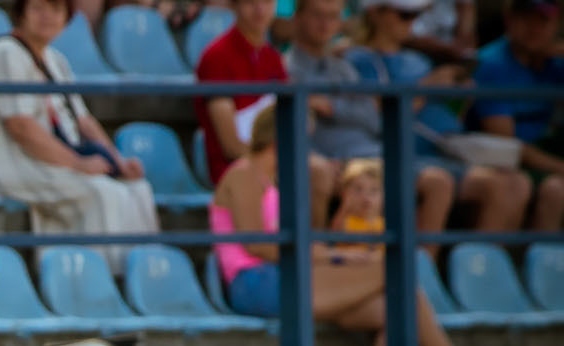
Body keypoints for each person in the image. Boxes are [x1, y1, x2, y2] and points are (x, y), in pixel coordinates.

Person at [212, 103, 512, 346]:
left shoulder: (271, 181)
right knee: (391, 268)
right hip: (256, 283)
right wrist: (336, 254)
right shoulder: (244, 172)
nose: (308, 148)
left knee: (395, 312)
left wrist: (333, 255)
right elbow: (260, 247)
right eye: (304, 139)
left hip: (284, 275)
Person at [320, 0, 540, 237]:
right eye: (404, 15)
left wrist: (459, 95)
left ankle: (480, 268)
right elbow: (373, 118)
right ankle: (422, 268)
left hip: (446, 151)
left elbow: (449, 116)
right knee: (439, 183)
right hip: (404, 155)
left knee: (516, 184)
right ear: (375, 15)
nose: (411, 23)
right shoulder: (356, 60)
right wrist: (427, 88)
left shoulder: (420, 61)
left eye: (416, 16)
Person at [0, 0, 157, 251]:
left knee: (137, 189)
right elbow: (21, 127)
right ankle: (100, 277)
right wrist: (78, 164)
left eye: (56, 10)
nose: (47, 16)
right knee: (102, 193)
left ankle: (138, 278)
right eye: (38, 8)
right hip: (8, 162)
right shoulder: (4, 54)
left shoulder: (56, 60)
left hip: (50, 159)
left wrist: (117, 161)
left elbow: (84, 122)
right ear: (20, 15)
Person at [195, 0, 337, 208]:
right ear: (235, 6)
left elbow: (292, 123)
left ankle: (313, 241)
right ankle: (305, 241)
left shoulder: (272, 57)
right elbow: (231, 146)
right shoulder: (216, 56)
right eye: (250, 3)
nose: (260, 10)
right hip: (237, 168)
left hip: (274, 161)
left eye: (266, 2)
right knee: (317, 172)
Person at [471, 0, 564, 227]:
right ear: (509, 19)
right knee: (557, 190)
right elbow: (507, 144)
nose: (534, 28)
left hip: (545, 150)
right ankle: (544, 261)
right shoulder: (492, 64)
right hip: (499, 160)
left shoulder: (556, 62)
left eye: (542, 20)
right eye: (526, 18)